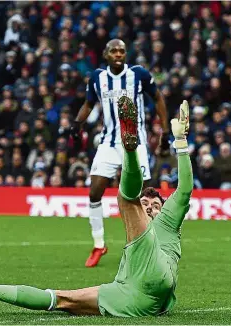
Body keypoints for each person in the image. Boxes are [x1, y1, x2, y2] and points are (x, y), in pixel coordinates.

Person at [0, 98, 193, 317]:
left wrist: (181, 143)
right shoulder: (142, 239)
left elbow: (183, 190)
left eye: (155, 205)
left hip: (155, 272)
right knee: (59, 299)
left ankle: (129, 150)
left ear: (164, 209)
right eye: (147, 204)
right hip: (130, 294)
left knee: (127, 199)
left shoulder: (167, 222)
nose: (150, 208)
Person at [68, 39, 169, 267]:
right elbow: (88, 103)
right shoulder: (97, 77)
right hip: (109, 142)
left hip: (136, 143)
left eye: (122, 51)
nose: (118, 54)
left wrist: (166, 131)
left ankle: (152, 242)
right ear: (106, 55)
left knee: (145, 195)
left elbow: (158, 98)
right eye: (114, 51)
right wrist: (77, 124)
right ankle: (98, 244)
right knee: (95, 191)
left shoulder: (139, 74)